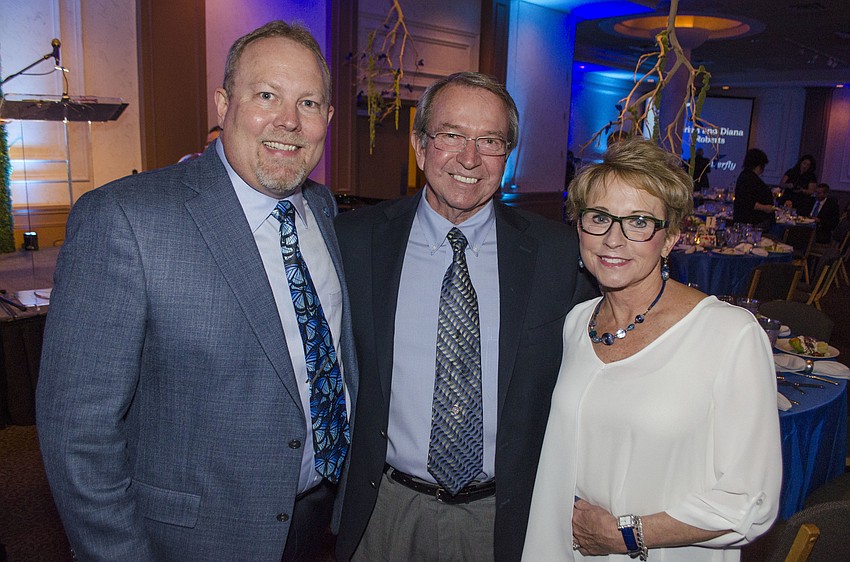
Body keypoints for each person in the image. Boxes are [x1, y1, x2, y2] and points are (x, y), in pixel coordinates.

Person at [36, 21, 357, 561]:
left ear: (327, 119)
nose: (287, 120)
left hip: (316, 522)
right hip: (190, 541)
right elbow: (78, 432)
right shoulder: (126, 219)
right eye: (266, 95)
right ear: (223, 103)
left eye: (307, 103)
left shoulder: (322, 211)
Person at [334, 71, 597, 562]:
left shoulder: (557, 255)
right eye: (451, 135)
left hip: (504, 516)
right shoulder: (355, 242)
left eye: (490, 141)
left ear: (507, 154)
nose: (469, 158)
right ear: (419, 145)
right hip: (385, 507)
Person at [523, 139, 781, 562]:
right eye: (599, 218)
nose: (613, 239)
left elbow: (750, 500)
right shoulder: (575, 323)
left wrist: (626, 534)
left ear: (670, 238)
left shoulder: (729, 334)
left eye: (639, 222)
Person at [732, 148, 775, 229]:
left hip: (750, 220)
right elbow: (747, 201)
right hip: (752, 222)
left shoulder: (746, 176)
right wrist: (766, 208)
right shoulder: (749, 178)